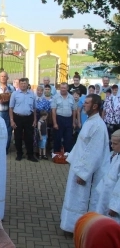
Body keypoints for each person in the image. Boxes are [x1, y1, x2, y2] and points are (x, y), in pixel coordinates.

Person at [60, 94, 111, 233]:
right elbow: (81, 145)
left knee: (82, 200)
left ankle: (81, 227)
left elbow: (93, 152)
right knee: (74, 197)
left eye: (87, 103)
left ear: (95, 106)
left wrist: (83, 174)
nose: (84, 105)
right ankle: (70, 225)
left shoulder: (99, 126)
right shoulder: (90, 121)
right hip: (78, 167)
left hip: (87, 174)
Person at [9, 78, 39, 162]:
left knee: (29, 137)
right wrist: (12, 120)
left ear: (27, 84)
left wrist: (35, 120)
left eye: (24, 83)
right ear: (19, 84)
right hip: (17, 117)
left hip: (29, 117)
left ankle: (30, 155)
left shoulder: (32, 94)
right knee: (17, 137)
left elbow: (34, 108)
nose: (23, 85)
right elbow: (11, 108)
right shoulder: (15, 94)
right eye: (21, 83)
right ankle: (19, 154)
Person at [95, 130, 120, 223]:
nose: (112, 146)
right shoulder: (116, 156)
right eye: (111, 143)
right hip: (106, 195)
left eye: (115, 143)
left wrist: (115, 206)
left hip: (114, 202)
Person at [0, 71, 15, 154]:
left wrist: (9, 99)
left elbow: (15, 100)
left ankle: (5, 149)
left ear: (7, 78)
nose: (3, 78)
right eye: (2, 76)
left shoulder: (11, 88)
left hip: (8, 112)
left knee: (8, 131)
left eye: (5, 76)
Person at [51, 83, 77, 153]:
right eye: (61, 88)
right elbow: (53, 111)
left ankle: (67, 155)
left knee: (68, 138)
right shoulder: (55, 97)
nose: (63, 89)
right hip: (59, 119)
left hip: (69, 120)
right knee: (57, 138)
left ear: (67, 88)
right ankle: (56, 154)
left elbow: (74, 110)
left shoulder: (71, 97)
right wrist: (55, 123)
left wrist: (74, 122)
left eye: (64, 88)